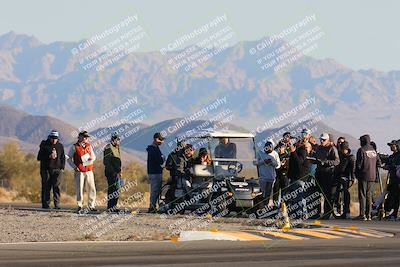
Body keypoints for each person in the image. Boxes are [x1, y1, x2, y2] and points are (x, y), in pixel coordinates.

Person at [67, 131, 97, 213]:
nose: (86, 138)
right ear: (79, 137)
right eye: (84, 137)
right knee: (79, 188)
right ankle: (80, 205)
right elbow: (68, 158)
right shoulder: (74, 147)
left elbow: (93, 156)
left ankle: (91, 205)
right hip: (79, 171)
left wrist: (91, 159)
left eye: (87, 137)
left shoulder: (89, 146)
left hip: (89, 170)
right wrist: (74, 167)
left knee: (91, 188)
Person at [314, 133, 340, 219]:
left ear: (328, 140)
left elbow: (337, 161)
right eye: (320, 139)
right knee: (316, 193)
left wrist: (325, 162)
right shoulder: (319, 148)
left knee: (327, 194)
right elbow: (316, 157)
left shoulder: (332, 148)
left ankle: (327, 214)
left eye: (323, 140)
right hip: (318, 172)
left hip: (328, 173)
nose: (321, 141)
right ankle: (316, 213)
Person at [37, 130, 65, 209]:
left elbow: (63, 157)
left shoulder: (60, 146)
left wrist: (62, 168)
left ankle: (57, 204)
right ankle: (46, 204)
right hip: (46, 169)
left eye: (55, 138)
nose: (54, 140)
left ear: (58, 138)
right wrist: (48, 156)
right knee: (46, 187)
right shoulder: (44, 145)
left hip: (57, 170)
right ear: (49, 137)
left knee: (56, 187)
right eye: (52, 138)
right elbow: (39, 157)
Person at [355, 134, 380, 221]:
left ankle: (362, 215)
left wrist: (356, 174)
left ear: (363, 141)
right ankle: (368, 215)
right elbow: (379, 163)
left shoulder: (361, 150)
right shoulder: (374, 151)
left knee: (362, 195)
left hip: (363, 175)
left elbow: (358, 165)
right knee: (369, 195)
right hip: (372, 176)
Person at [287, 142, 312, 219]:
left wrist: (293, 152)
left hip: (299, 178)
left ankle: (300, 215)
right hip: (294, 178)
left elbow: (298, 162)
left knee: (298, 198)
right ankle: (296, 214)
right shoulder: (297, 152)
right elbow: (291, 164)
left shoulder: (302, 152)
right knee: (295, 198)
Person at [333, 141, 356, 219]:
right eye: (341, 149)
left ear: (346, 149)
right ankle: (337, 208)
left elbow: (353, 169)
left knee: (346, 193)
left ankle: (347, 211)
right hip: (337, 175)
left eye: (344, 149)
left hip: (346, 177)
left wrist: (353, 178)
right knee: (336, 192)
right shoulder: (339, 155)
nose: (342, 151)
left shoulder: (350, 157)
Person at [255, 141, 280, 207]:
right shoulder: (260, 153)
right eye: (267, 148)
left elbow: (277, 165)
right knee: (261, 193)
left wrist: (272, 162)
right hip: (262, 177)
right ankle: (260, 206)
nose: (269, 150)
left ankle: (265, 206)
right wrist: (263, 162)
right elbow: (254, 162)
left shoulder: (274, 154)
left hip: (271, 177)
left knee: (268, 194)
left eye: (270, 149)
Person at [146, 132, 165, 213]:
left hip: (154, 172)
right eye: (160, 140)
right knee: (155, 190)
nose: (162, 142)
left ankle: (153, 207)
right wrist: (163, 158)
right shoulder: (153, 149)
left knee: (156, 190)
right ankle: (152, 208)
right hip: (155, 173)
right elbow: (160, 161)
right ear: (156, 139)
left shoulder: (155, 148)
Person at [103, 132, 122, 212]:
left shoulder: (117, 148)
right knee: (112, 189)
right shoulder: (108, 147)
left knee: (117, 190)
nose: (119, 141)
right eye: (118, 139)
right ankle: (110, 207)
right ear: (114, 139)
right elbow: (106, 162)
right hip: (111, 173)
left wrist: (120, 171)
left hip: (117, 173)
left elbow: (118, 161)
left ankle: (114, 207)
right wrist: (113, 172)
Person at [383, 140, 400, 220]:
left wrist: (391, 166)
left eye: (392, 145)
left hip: (397, 180)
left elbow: (395, 166)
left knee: (396, 198)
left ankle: (395, 214)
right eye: (390, 145)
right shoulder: (391, 156)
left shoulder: (399, 156)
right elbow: (387, 164)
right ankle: (392, 214)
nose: (391, 147)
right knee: (392, 196)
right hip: (392, 179)